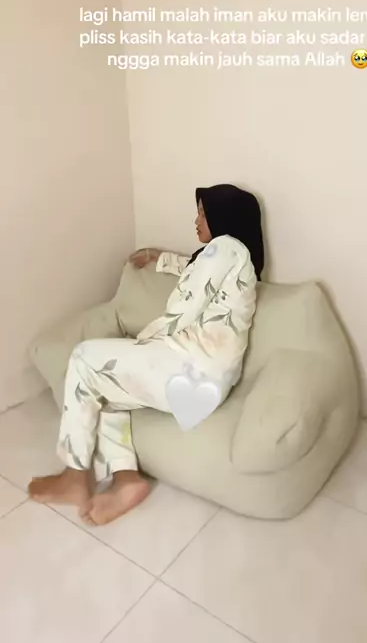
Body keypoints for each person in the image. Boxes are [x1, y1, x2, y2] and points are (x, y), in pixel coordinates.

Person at [28, 184, 264, 525]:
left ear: (223, 217)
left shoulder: (225, 247)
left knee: (84, 358)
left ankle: (75, 475)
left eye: (202, 212)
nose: (196, 220)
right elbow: (195, 269)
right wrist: (159, 257)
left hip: (190, 371)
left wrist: (140, 343)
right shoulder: (238, 260)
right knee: (102, 388)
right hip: (206, 384)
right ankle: (127, 481)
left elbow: (182, 308)